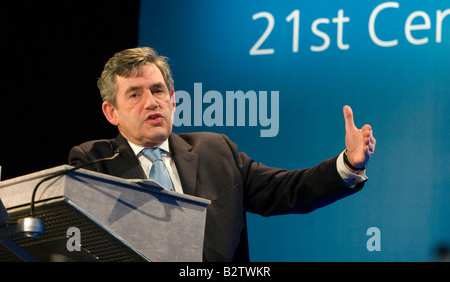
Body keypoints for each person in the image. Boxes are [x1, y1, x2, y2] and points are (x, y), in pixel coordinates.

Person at [69, 47, 376, 261]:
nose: (151, 102)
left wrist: (348, 164)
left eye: (158, 90)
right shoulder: (93, 163)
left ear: (173, 100)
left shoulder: (215, 151)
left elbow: (287, 190)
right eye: (135, 94)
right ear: (111, 112)